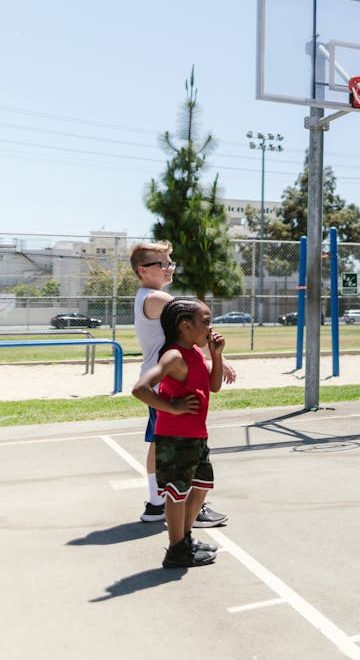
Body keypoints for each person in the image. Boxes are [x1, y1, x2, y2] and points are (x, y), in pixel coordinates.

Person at [130, 242, 231, 528]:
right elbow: (192, 325)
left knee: (159, 442)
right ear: (142, 270)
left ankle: (156, 503)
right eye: (162, 263)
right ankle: (185, 507)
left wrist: (212, 362)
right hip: (169, 381)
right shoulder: (157, 299)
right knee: (182, 445)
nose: (169, 267)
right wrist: (216, 357)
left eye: (170, 261)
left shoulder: (147, 297)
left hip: (167, 376)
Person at [132, 298, 225, 567]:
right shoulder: (173, 355)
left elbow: (214, 386)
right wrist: (171, 407)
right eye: (206, 322)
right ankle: (176, 549)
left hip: (196, 435)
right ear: (185, 326)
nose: (210, 328)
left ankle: (184, 539)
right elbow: (141, 388)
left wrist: (216, 355)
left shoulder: (195, 353)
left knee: (201, 486)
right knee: (177, 492)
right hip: (176, 438)